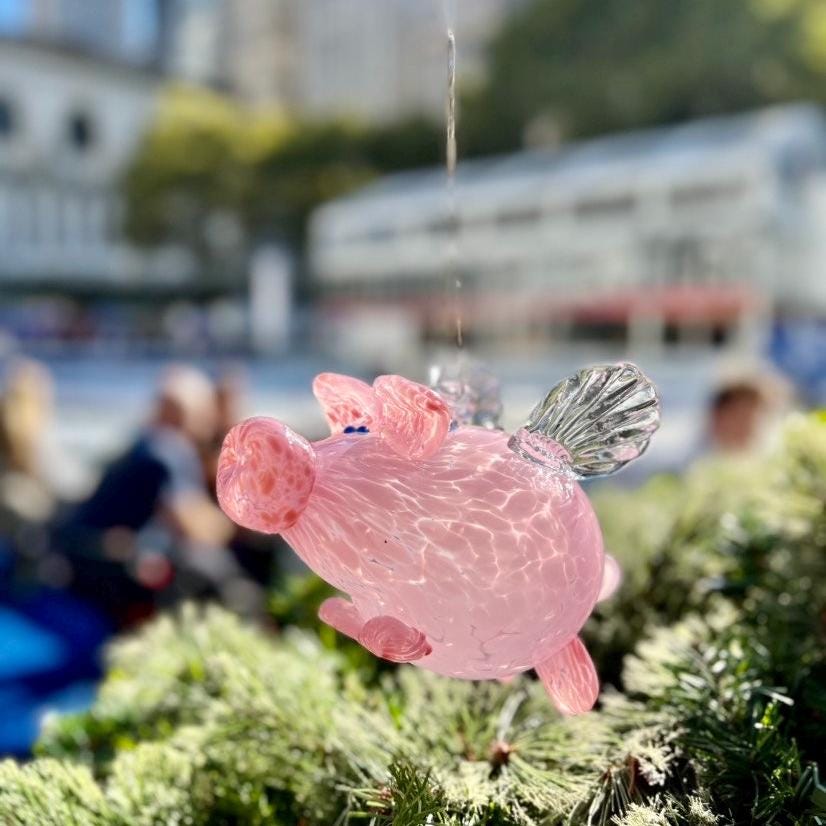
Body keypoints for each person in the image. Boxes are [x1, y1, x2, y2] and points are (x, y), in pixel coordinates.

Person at [56, 365, 233, 626]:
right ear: (193, 413)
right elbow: (194, 527)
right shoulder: (168, 449)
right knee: (212, 566)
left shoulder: (144, 442)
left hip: (83, 561)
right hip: (106, 573)